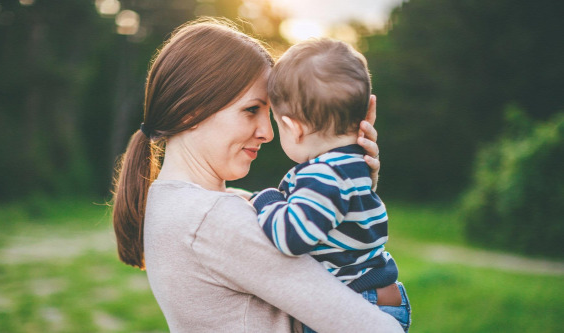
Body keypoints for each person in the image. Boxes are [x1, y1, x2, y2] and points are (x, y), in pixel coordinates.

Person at [112, 18, 402, 333]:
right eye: (252, 110)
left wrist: (350, 180)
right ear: (190, 112)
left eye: (269, 113)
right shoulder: (214, 218)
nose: (266, 132)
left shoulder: (174, 203)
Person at [249, 38, 411, 332]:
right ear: (366, 111)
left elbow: (292, 237)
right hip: (378, 298)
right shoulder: (356, 163)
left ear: (294, 128)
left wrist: (266, 200)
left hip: (360, 302)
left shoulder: (323, 175)